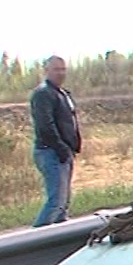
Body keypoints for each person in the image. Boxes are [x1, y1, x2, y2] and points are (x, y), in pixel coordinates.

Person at [30, 55, 82, 227]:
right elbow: (46, 125)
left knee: (63, 204)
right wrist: (61, 148)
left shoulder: (62, 94)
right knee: (56, 202)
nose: (60, 73)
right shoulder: (43, 94)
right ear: (47, 71)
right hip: (50, 152)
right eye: (56, 69)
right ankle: (35, 243)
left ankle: (60, 243)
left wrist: (73, 146)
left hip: (63, 152)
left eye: (63, 69)